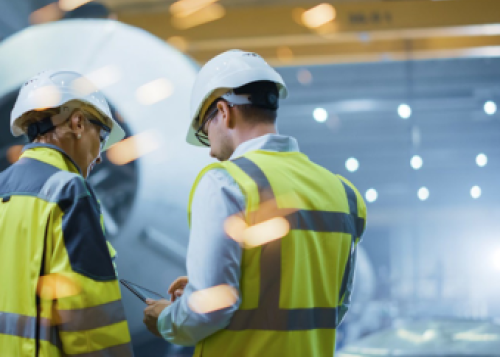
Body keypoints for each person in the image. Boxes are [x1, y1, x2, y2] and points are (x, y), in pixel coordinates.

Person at [143, 50, 367, 356]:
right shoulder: (344, 194)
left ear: (224, 111)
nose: (210, 151)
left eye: (205, 134)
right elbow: (331, 305)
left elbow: (210, 308)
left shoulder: (226, 183)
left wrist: (167, 319)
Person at [0, 70, 134, 356]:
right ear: (77, 123)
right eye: (102, 136)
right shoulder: (67, 191)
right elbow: (90, 321)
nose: (100, 155)